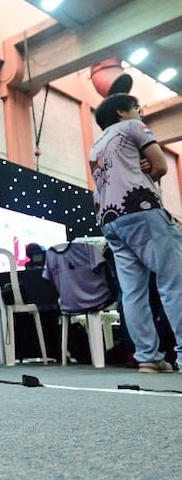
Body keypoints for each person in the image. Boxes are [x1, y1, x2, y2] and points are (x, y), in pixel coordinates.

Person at [90, 92, 182, 373]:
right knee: (174, 282)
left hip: (110, 219)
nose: (140, 114)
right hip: (141, 209)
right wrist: (149, 171)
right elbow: (161, 165)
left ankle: (148, 356)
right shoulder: (133, 127)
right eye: (137, 109)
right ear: (121, 111)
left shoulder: (95, 147)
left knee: (133, 292)